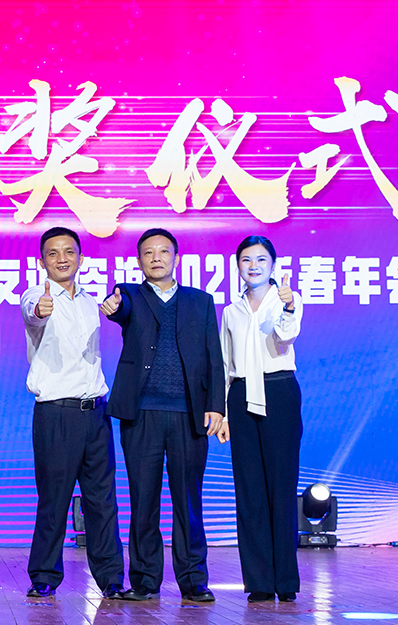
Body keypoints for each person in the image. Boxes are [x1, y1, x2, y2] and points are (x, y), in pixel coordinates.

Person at [100, 227, 225, 603]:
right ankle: (144, 579)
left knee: (189, 500)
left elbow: (214, 357)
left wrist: (216, 405)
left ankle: (193, 578)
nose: (156, 258)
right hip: (141, 414)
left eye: (163, 251)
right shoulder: (129, 295)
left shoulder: (200, 301)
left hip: (189, 415)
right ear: (139, 260)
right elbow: (118, 309)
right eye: (148, 252)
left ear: (176, 257)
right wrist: (114, 307)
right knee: (144, 499)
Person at [21, 227, 125, 600]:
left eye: (69, 252)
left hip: (96, 413)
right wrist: (40, 310)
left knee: (102, 500)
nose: (62, 259)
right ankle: (44, 575)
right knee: (54, 498)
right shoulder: (35, 295)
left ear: (81, 258)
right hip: (57, 413)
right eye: (53, 253)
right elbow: (33, 314)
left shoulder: (90, 302)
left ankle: (111, 578)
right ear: (42, 261)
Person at [219, 235, 303, 603]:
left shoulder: (286, 299)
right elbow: (225, 363)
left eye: (261, 260)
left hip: (278, 391)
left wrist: (287, 306)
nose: (253, 266)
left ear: (273, 265)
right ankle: (259, 581)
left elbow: (286, 335)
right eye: (246, 260)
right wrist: (223, 413)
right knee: (249, 489)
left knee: (281, 486)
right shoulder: (231, 310)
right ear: (238, 265)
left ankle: (285, 580)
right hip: (241, 395)